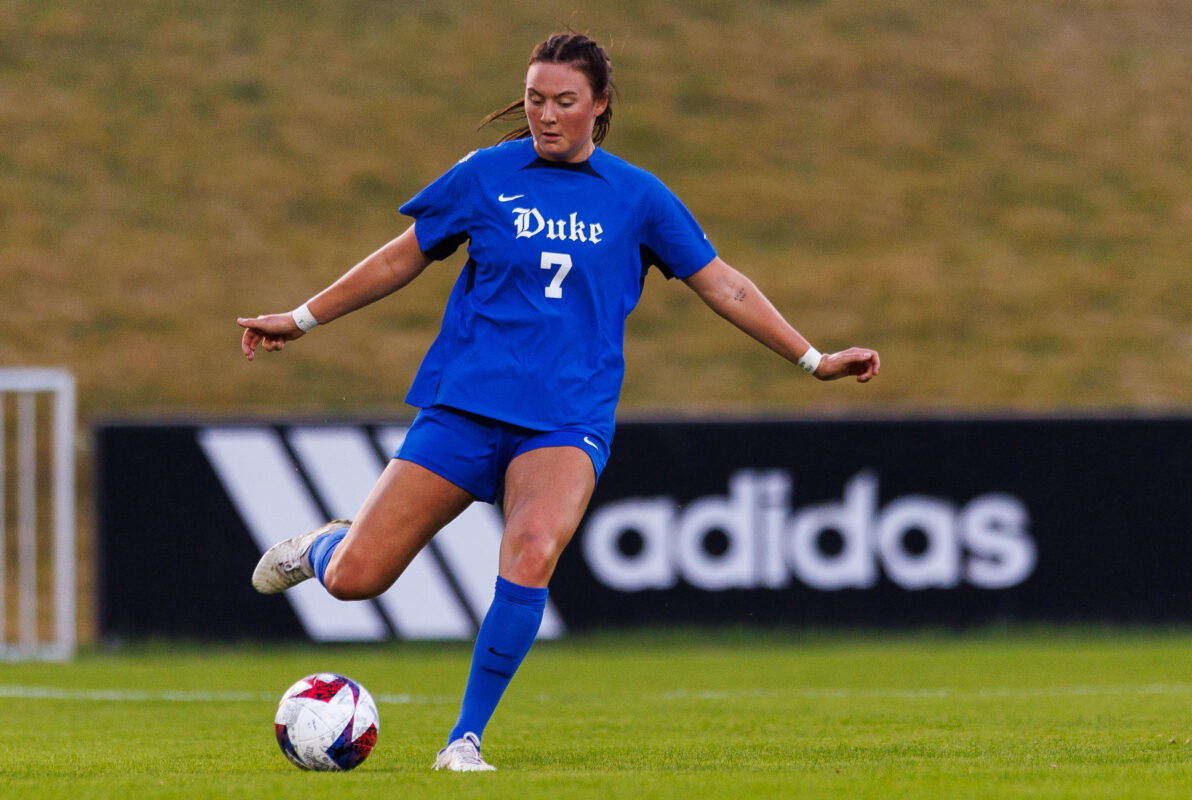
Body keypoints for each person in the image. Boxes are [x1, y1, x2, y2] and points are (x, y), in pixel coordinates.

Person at [238, 32, 880, 772]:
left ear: (599, 108)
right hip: (467, 407)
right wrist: (300, 318)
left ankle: (464, 740)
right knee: (357, 580)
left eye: (564, 102)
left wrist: (814, 359)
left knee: (533, 552)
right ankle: (320, 547)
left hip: (567, 419)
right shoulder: (485, 175)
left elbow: (725, 285)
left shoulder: (638, 197)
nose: (546, 115)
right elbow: (400, 257)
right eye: (536, 98)